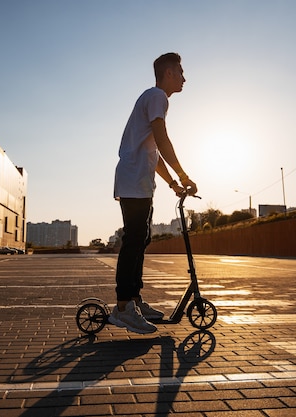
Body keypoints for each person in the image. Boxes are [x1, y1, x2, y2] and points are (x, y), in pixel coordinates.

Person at [109, 52, 197, 334]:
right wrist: (184, 175)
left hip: (139, 180)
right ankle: (124, 307)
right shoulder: (158, 96)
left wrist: (172, 183)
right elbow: (162, 138)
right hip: (134, 179)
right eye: (180, 72)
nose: (184, 78)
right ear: (168, 73)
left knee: (141, 238)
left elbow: (155, 152)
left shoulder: (151, 98)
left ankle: (134, 300)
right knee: (134, 240)